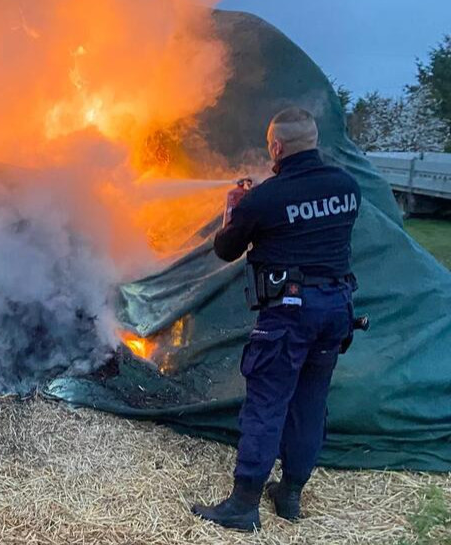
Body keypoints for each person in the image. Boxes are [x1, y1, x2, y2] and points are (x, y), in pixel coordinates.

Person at [190, 107, 361, 531]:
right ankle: (290, 495)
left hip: (289, 314)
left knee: (266, 406)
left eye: (271, 147)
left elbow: (227, 250)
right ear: (314, 141)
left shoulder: (267, 197)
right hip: (337, 309)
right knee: (309, 403)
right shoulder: (348, 186)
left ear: (278, 147)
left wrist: (234, 210)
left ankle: (243, 505)